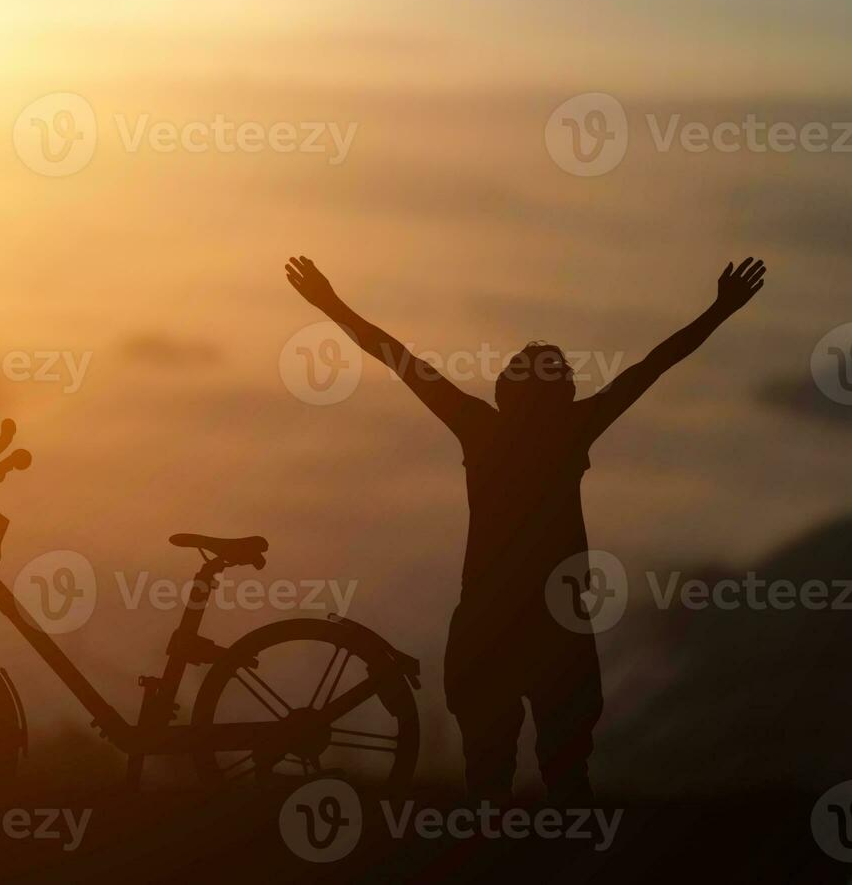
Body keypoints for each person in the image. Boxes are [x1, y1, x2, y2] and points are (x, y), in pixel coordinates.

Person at [285, 255, 767, 801]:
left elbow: (398, 357)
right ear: (561, 392)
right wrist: (719, 310)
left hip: (491, 616)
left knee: (490, 773)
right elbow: (654, 365)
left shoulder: (479, 426)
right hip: (552, 617)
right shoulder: (573, 426)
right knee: (564, 772)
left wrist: (329, 304)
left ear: (504, 391)